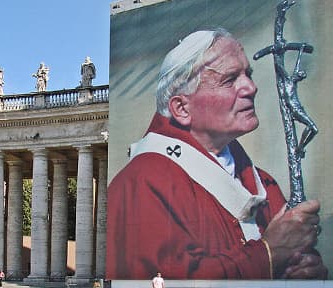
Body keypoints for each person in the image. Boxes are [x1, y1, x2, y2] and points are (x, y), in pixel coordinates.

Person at [106, 29, 328, 280]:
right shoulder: (142, 183)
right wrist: (269, 253)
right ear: (181, 108)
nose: (251, 88)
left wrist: (304, 272)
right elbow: (163, 281)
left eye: (248, 74)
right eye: (230, 79)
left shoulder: (262, 183)